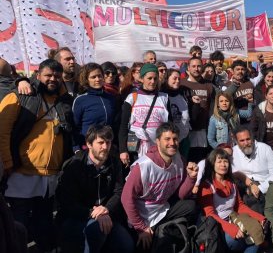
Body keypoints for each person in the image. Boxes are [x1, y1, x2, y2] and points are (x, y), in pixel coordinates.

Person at [0, 59, 74, 252]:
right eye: (48, 75)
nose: (52, 79)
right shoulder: (20, 96)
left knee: (44, 224)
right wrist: (7, 163)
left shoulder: (65, 101)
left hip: (50, 175)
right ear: (38, 75)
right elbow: (2, 132)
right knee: (19, 226)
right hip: (21, 173)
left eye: (57, 76)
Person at [121, 123, 198, 251]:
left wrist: (191, 178)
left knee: (191, 206)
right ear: (157, 141)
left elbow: (181, 195)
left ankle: (162, 230)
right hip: (141, 217)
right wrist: (141, 228)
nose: (172, 143)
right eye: (167, 139)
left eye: (175, 139)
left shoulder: (179, 160)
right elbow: (126, 198)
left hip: (162, 209)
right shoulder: (143, 166)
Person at [56, 125, 134, 253]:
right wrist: (93, 214)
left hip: (106, 215)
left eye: (108, 142)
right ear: (89, 144)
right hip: (76, 217)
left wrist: (106, 209)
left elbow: (119, 192)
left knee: (126, 245)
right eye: (100, 142)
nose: (105, 147)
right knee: (96, 230)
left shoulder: (114, 163)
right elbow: (67, 202)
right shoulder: (74, 165)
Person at [198, 148, 265, 253]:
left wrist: (259, 218)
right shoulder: (206, 186)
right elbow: (210, 214)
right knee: (236, 240)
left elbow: (239, 206)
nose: (223, 164)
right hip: (218, 226)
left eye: (225, 161)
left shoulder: (232, 182)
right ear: (212, 164)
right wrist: (230, 228)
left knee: (257, 235)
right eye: (219, 161)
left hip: (235, 219)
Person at [119, 64, 169, 164]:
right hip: (136, 148)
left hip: (157, 148)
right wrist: (123, 150)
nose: (153, 81)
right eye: (149, 78)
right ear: (142, 79)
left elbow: (169, 125)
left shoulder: (164, 98)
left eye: (155, 78)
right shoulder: (132, 97)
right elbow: (123, 125)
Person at [230, 126, 273, 214]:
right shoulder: (233, 153)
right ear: (236, 142)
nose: (246, 143)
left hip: (265, 186)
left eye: (248, 139)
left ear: (252, 138)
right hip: (244, 188)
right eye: (242, 141)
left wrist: (260, 188)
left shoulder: (265, 149)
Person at [72, 63, 116, 150]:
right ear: (86, 80)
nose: (98, 79)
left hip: (107, 146)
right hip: (88, 148)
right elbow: (75, 127)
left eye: (100, 76)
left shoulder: (110, 98)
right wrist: (76, 148)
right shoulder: (80, 100)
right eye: (93, 77)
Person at [180, 57, 216, 162]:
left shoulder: (208, 85)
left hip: (203, 130)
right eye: (193, 66)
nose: (196, 69)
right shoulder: (182, 84)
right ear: (188, 68)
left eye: (199, 66)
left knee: (201, 160)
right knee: (186, 160)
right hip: (186, 130)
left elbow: (212, 106)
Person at [160, 68, 196, 158]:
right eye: (174, 78)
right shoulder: (162, 96)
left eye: (179, 79)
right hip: (170, 138)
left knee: (183, 164)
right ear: (167, 79)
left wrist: (196, 105)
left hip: (184, 136)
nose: (177, 81)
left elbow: (191, 115)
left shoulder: (184, 94)